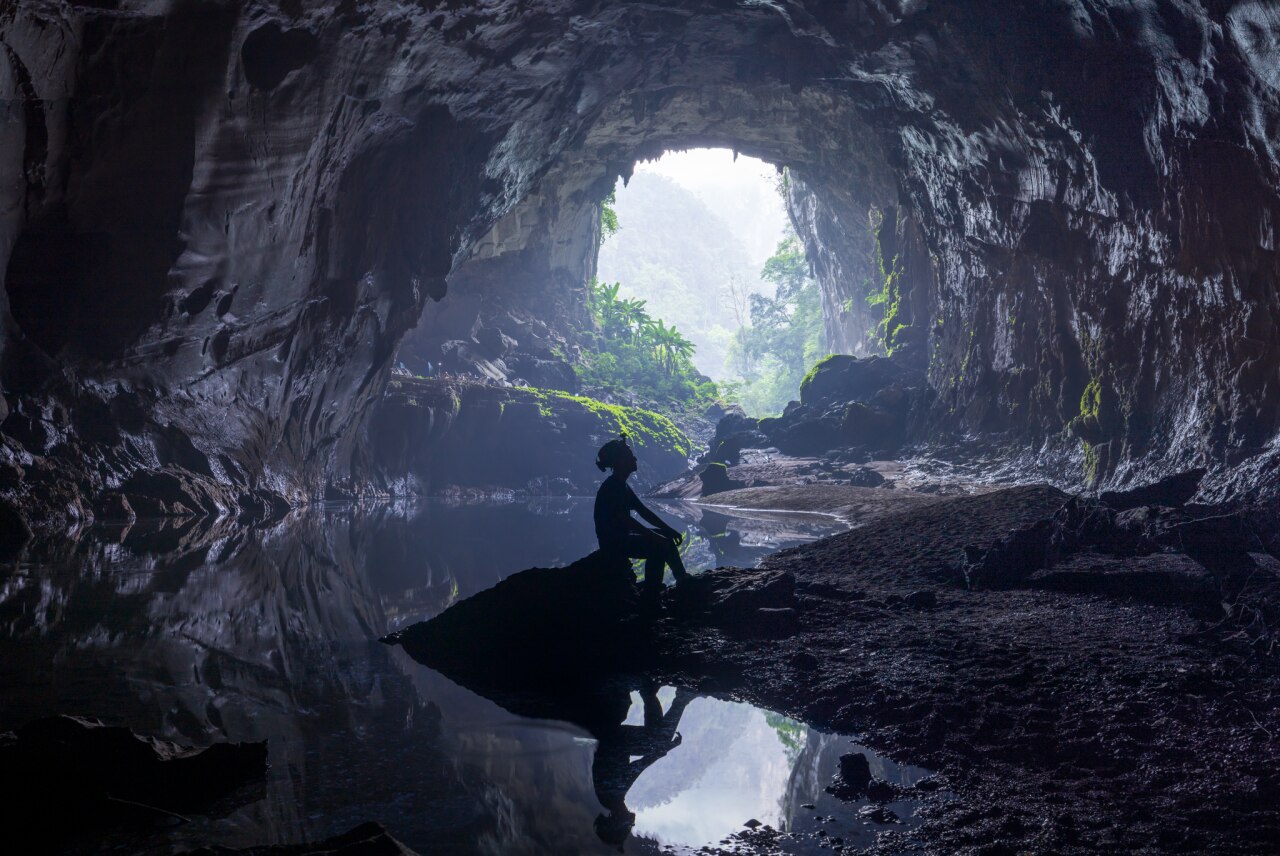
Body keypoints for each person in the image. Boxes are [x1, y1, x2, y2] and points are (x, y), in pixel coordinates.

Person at [594, 435, 690, 601]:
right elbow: (626, 520)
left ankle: (681, 578)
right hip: (613, 543)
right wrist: (655, 537)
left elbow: (644, 511)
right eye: (630, 455)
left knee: (663, 537)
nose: (635, 458)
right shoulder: (613, 487)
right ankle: (652, 592)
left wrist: (668, 530)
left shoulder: (620, 485)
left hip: (620, 538)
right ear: (619, 461)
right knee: (658, 546)